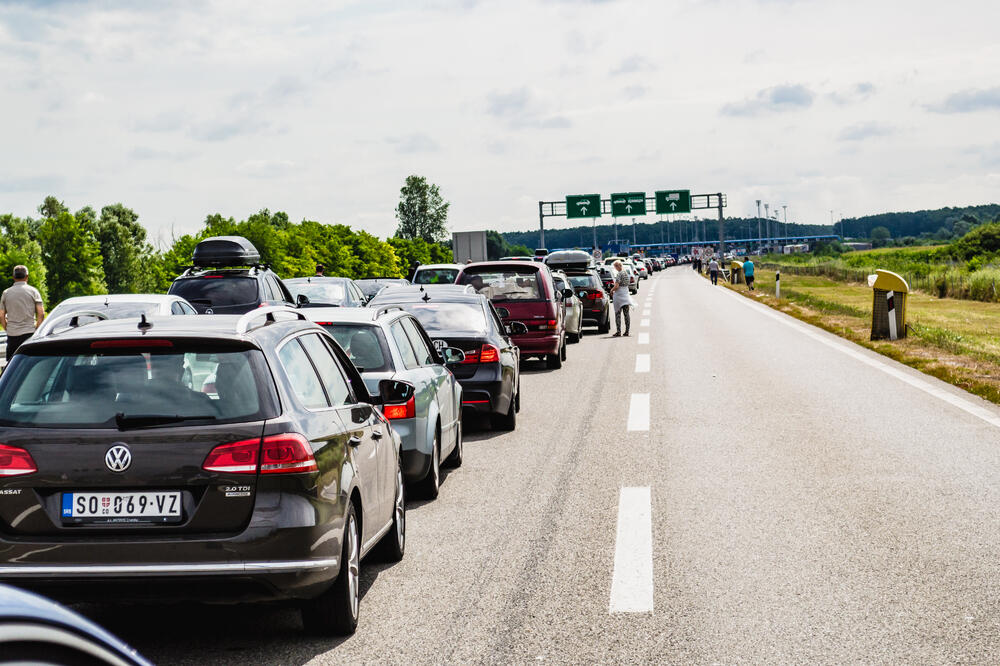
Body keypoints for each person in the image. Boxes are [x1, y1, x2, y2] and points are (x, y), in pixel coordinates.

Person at [0, 265, 44, 362]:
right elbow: (41, 313)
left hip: (12, 335)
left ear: (13, 277)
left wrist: (7, 328)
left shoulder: (6, 293)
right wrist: (37, 329)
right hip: (29, 333)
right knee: (29, 364)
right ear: (27, 276)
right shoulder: (33, 291)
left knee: (12, 366)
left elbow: (1, 315)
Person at [608, 260, 635, 337]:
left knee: (617, 314)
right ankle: (627, 331)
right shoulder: (626, 273)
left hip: (619, 297)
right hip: (626, 295)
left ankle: (618, 331)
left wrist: (611, 290)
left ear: (618, 266)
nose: (615, 268)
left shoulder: (619, 274)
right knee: (626, 314)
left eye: (616, 266)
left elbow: (616, 286)